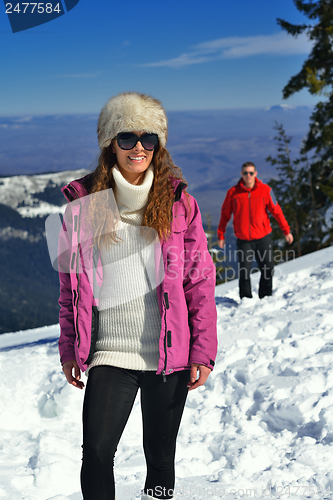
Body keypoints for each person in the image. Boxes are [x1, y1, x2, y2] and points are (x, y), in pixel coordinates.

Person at [57, 92, 217, 500]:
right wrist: (70, 346)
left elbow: (199, 282)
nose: (139, 147)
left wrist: (203, 351)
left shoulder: (182, 205)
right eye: (127, 137)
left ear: (159, 145)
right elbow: (69, 288)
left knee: (160, 458)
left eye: (149, 139)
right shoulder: (83, 207)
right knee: (95, 452)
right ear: (111, 143)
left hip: (167, 354)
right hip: (110, 351)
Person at [217, 161, 293, 299]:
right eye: (245, 173)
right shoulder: (233, 193)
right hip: (244, 240)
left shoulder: (266, 190)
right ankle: (245, 299)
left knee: (268, 268)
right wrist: (221, 235)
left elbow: (277, 211)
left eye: (251, 173)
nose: (248, 176)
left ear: (255, 174)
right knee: (244, 271)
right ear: (241, 174)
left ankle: (266, 296)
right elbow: (225, 214)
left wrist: (286, 230)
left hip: (263, 237)